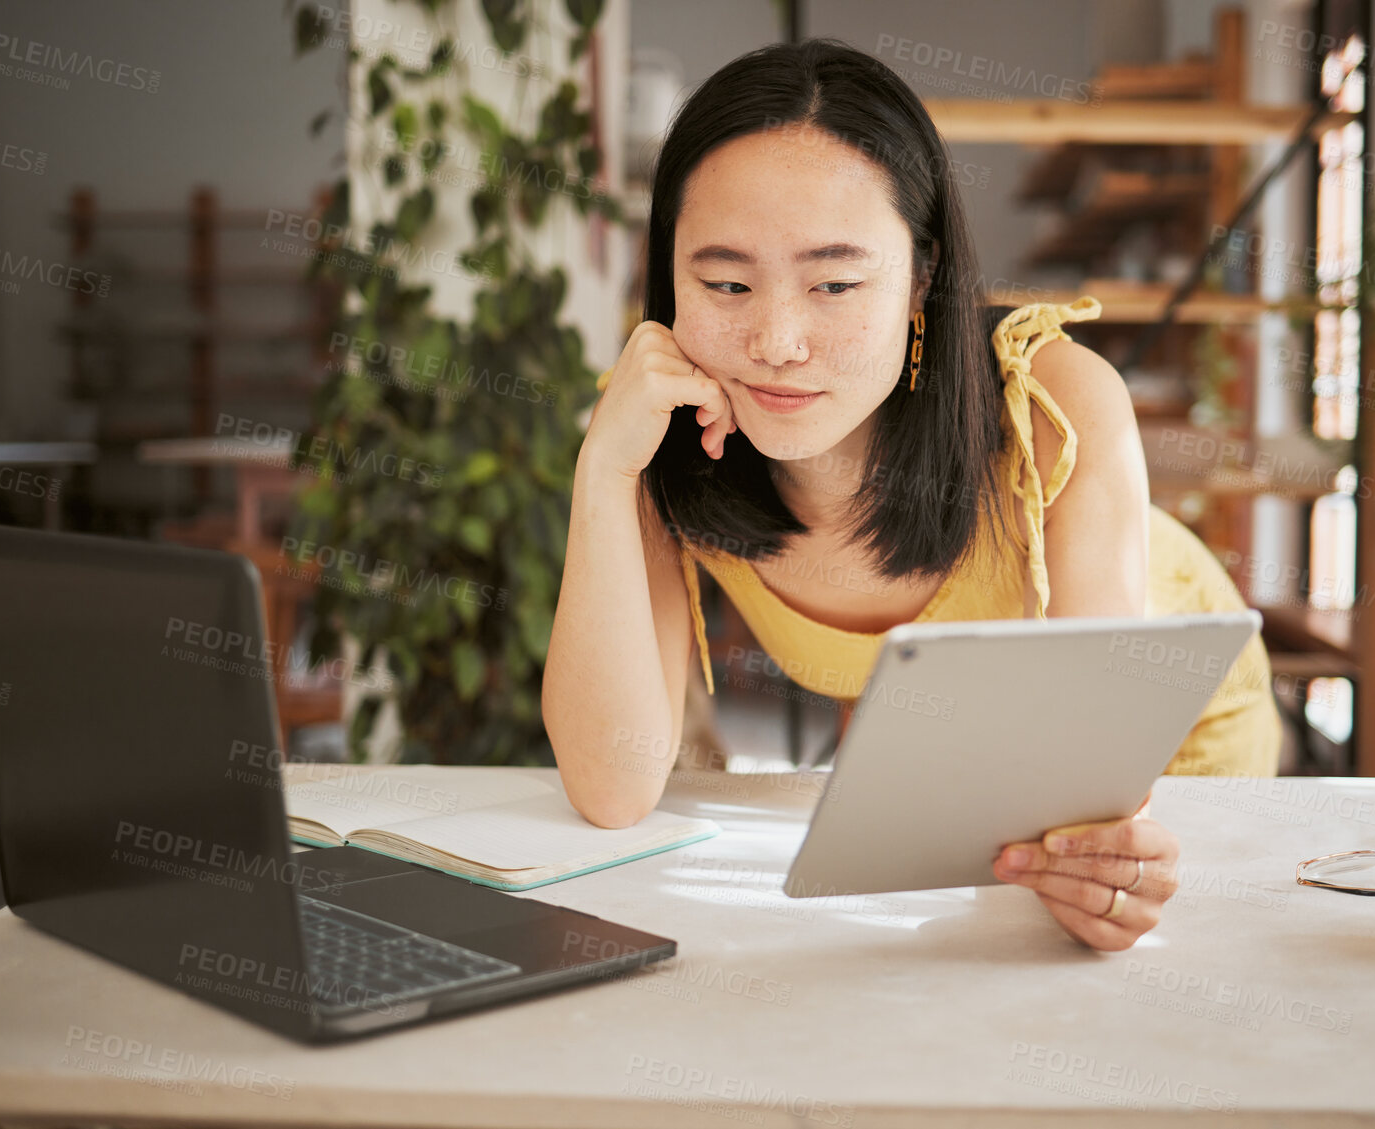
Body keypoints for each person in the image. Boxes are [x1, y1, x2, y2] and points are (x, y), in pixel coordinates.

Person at [544, 38, 1280, 951]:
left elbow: (1087, 794)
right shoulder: (665, 432)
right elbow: (613, 788)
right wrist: (602, 471)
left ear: (923, 278)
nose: (776, 339)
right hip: (969, 758)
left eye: (836, 283)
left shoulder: (1056, 405)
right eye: (725, 282)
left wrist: (1098, 872)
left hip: (1174, 732)